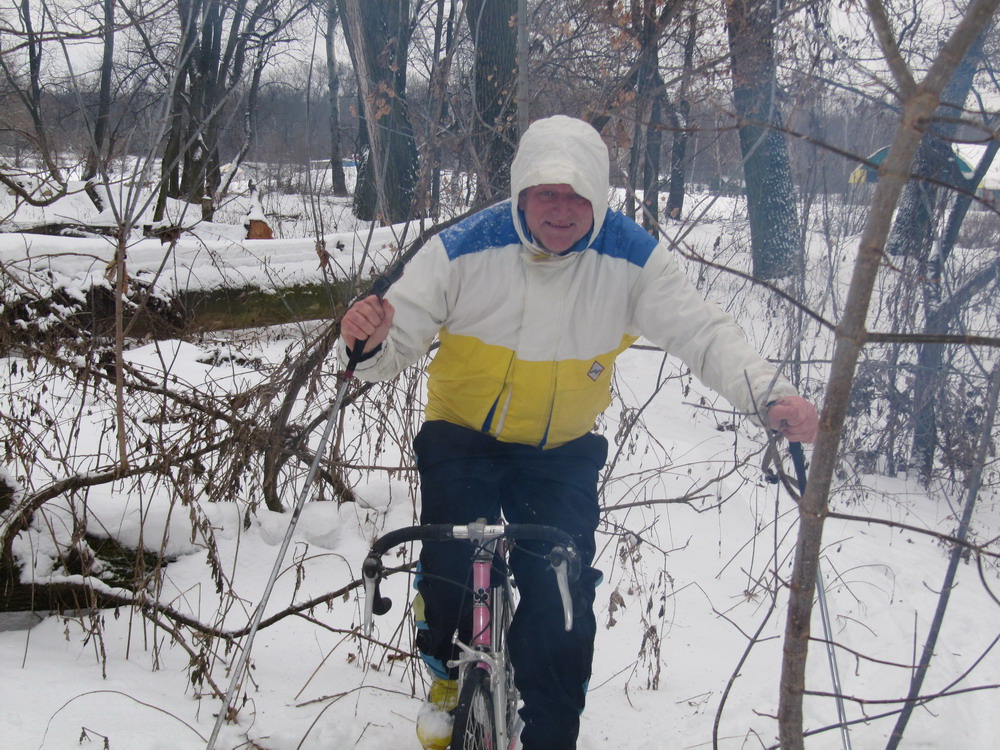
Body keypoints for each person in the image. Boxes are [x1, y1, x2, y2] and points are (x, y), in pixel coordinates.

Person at [338, 115, 818, 750]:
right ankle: (448, 671)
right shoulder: (461, 250)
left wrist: (770, 395)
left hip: (559, 454)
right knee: (451, 566)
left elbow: (702, 333)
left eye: (577, 196)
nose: (561, 210)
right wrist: (367, 341)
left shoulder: (631, 259)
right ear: (521, 194)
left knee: (559, 596)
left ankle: (552, 730)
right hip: (463, 437)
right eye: (547, 193)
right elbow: (386, 349)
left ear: (598, 197)